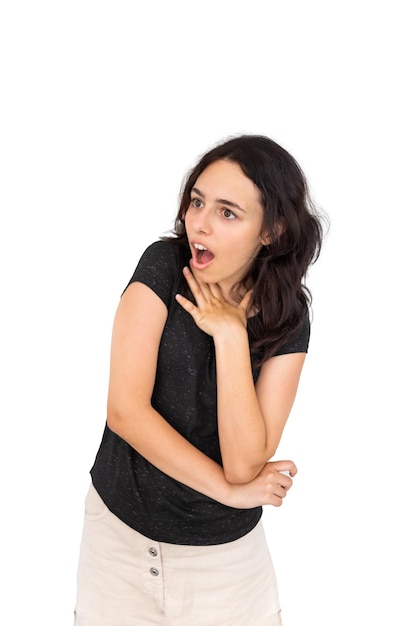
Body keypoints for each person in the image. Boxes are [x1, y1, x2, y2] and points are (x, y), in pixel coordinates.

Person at [74, 134, 324, 625]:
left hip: (226, 567)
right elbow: (125, 410)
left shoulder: (287, 316)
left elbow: (244, 463)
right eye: (197, 201)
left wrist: (230, 338)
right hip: (120, 542)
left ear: (271, 230)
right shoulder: (163, 268)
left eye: (228, 212)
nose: (200, 224)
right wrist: (231, 493)